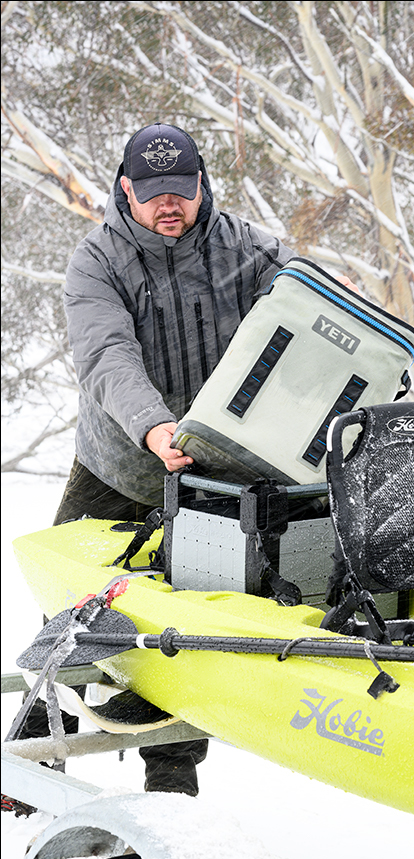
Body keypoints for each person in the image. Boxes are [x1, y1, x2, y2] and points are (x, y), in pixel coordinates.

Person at [15, 122, 305, 798]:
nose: (167, 205)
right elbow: (105, 355)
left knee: (193, 620)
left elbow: (312, 309)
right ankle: (34, 752)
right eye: (153, 194)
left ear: (202, 184)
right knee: (70, 603)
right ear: (125, 189)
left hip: (215, 470)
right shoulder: (98, 260)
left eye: (181, 191)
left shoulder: (251, 249)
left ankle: (172, 781)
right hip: (119, 459)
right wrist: (152, 425)